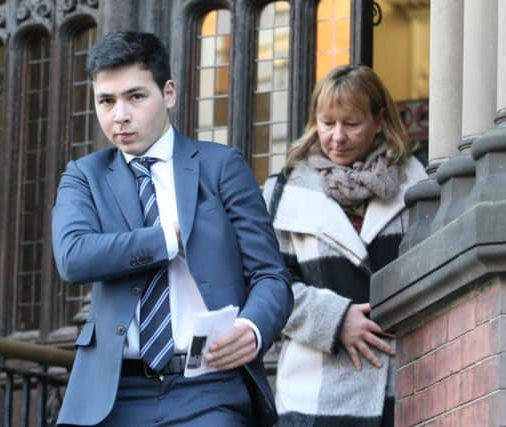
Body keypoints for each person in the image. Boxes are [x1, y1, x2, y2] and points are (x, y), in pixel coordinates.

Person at [52, 31, 293, 427]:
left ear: (168, 94)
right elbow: (74, 257)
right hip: (113, 394)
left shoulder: (221, 167)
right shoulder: (84, 177)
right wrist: (167, 238)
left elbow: (271, 275)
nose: (120, 115)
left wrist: (252, 328)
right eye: (106, 101)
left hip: (208, 387)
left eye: (135, 97)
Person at [263, 64, 427, 427]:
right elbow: (266, 284)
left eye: (351, 124)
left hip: (404, 383)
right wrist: (335, 321)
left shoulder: (420, 184)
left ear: (379, 120)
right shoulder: (283, 192)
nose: (337, 137)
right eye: (327, 123)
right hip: (316, 392)